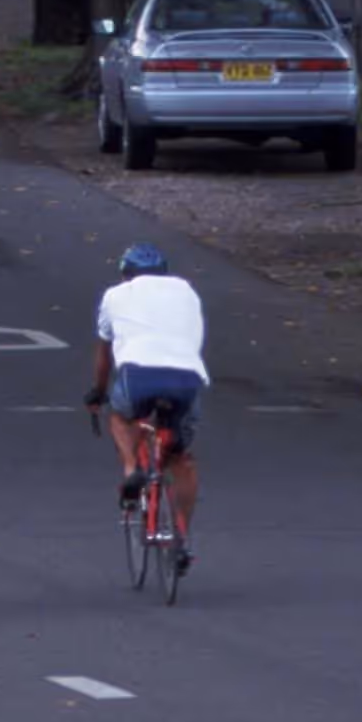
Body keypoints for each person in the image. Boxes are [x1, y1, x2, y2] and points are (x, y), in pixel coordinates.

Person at [86, 241, 207, 572]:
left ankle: (131, 469)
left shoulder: (115, 295)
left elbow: (104, 354)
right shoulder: (187, 291)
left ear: (126, 273)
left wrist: (97, 392)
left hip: (139, 373)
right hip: (187, 374)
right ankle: (181, 536)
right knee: (180, 458)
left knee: (121, 417)